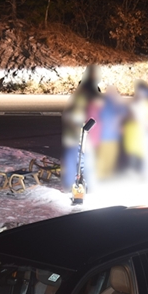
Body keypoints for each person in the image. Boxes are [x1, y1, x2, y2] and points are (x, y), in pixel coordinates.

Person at [61, 67, 99, 199]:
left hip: (86, 140)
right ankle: (77, 190)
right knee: (80, 165)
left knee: (85, 165)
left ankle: (86, 190)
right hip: (79, 139)